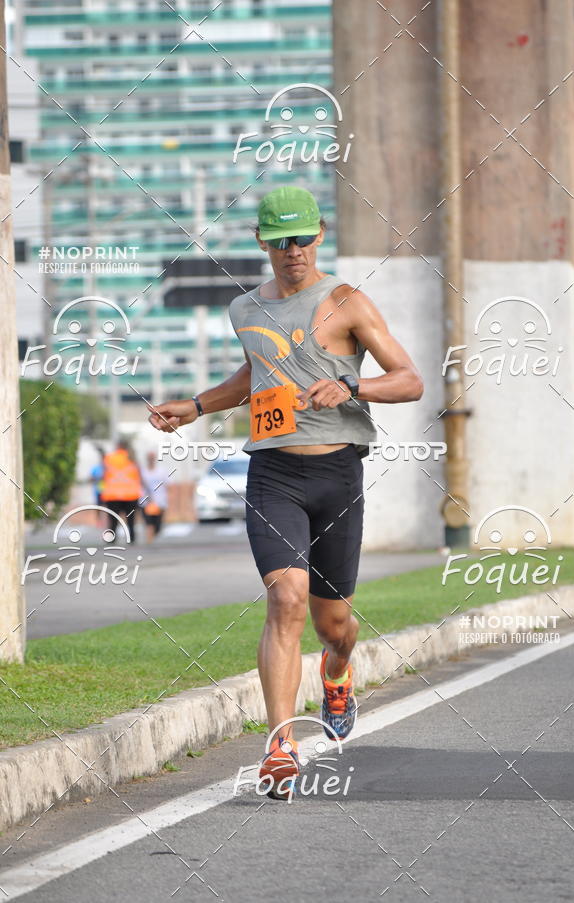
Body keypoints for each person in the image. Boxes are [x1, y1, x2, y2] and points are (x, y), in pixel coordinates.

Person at [148, 186, 423, 798]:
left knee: (336, 624)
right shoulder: (245, 309)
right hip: (272, 474)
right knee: (286, 599)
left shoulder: (347, 302)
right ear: (262, 243)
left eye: (301, 237)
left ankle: (338, 671)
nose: (292, 250)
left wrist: (351, 387)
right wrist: (196, 406)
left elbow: (410, 380)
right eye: (279, 240)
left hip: (337, 475)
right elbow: (256, 373)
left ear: (320, 235)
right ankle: (280, 746)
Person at [100, 439, 143, 545]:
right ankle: (131, 539)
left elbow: (103, 472)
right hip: (131, 495)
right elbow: (139, 475)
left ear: (118, 446)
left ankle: (111, 540)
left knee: (113, 520)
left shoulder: (110, 458)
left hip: (113, 495)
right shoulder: (133, 458)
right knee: (131, 520)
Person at [140, 451, 169, 543]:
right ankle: (149, 542)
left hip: (159, 502)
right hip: (146, 502)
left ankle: (153, 536)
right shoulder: (142, 471)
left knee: (157, 526)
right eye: (149, 457)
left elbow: (168, 485)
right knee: (149, 524)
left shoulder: (161, 471)